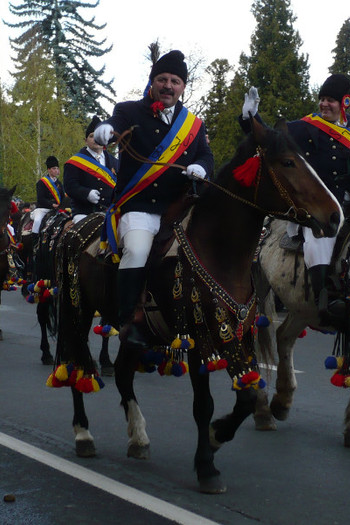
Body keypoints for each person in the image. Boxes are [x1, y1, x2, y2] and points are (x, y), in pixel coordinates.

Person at [241, 74, 350, 325]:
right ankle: (325, 297)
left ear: (345, 102)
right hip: (320, 206)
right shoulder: (303, 127)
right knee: (320, 238)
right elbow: (269, 137)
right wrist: (251, 118)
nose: (324, 105)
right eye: (322, 99)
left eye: (330, 100)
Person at [93, 49, 214, 347]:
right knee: (135, 249)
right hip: (140, 206)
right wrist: (105, 131)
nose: (168, 85)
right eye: (162, 79)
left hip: (179, 208)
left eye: (175, 80)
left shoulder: (194, 125)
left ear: (183, 87)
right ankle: (128, 319)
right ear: (152, 82)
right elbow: (112, 127)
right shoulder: (128, 110)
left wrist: (202, 166)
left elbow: (205, 155)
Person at [64, 115, 118, 224]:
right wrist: (86, 193)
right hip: (84, 211)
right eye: (92, 136)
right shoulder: (75, 162)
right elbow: (70, 187)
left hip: (110, 211)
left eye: (99, 135)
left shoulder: (115, 162)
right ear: (86, 140)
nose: (96, 139)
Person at [30, 155, 67, 246]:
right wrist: (52, 205)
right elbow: (41, 198)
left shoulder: (59, 183)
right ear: (49, 170)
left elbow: (62, 197)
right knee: (38, 221)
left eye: (57, 168)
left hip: (57, 209)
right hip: (43, 209)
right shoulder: (41, 182)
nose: (56, 171)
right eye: (54, 168)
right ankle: (34, 241)